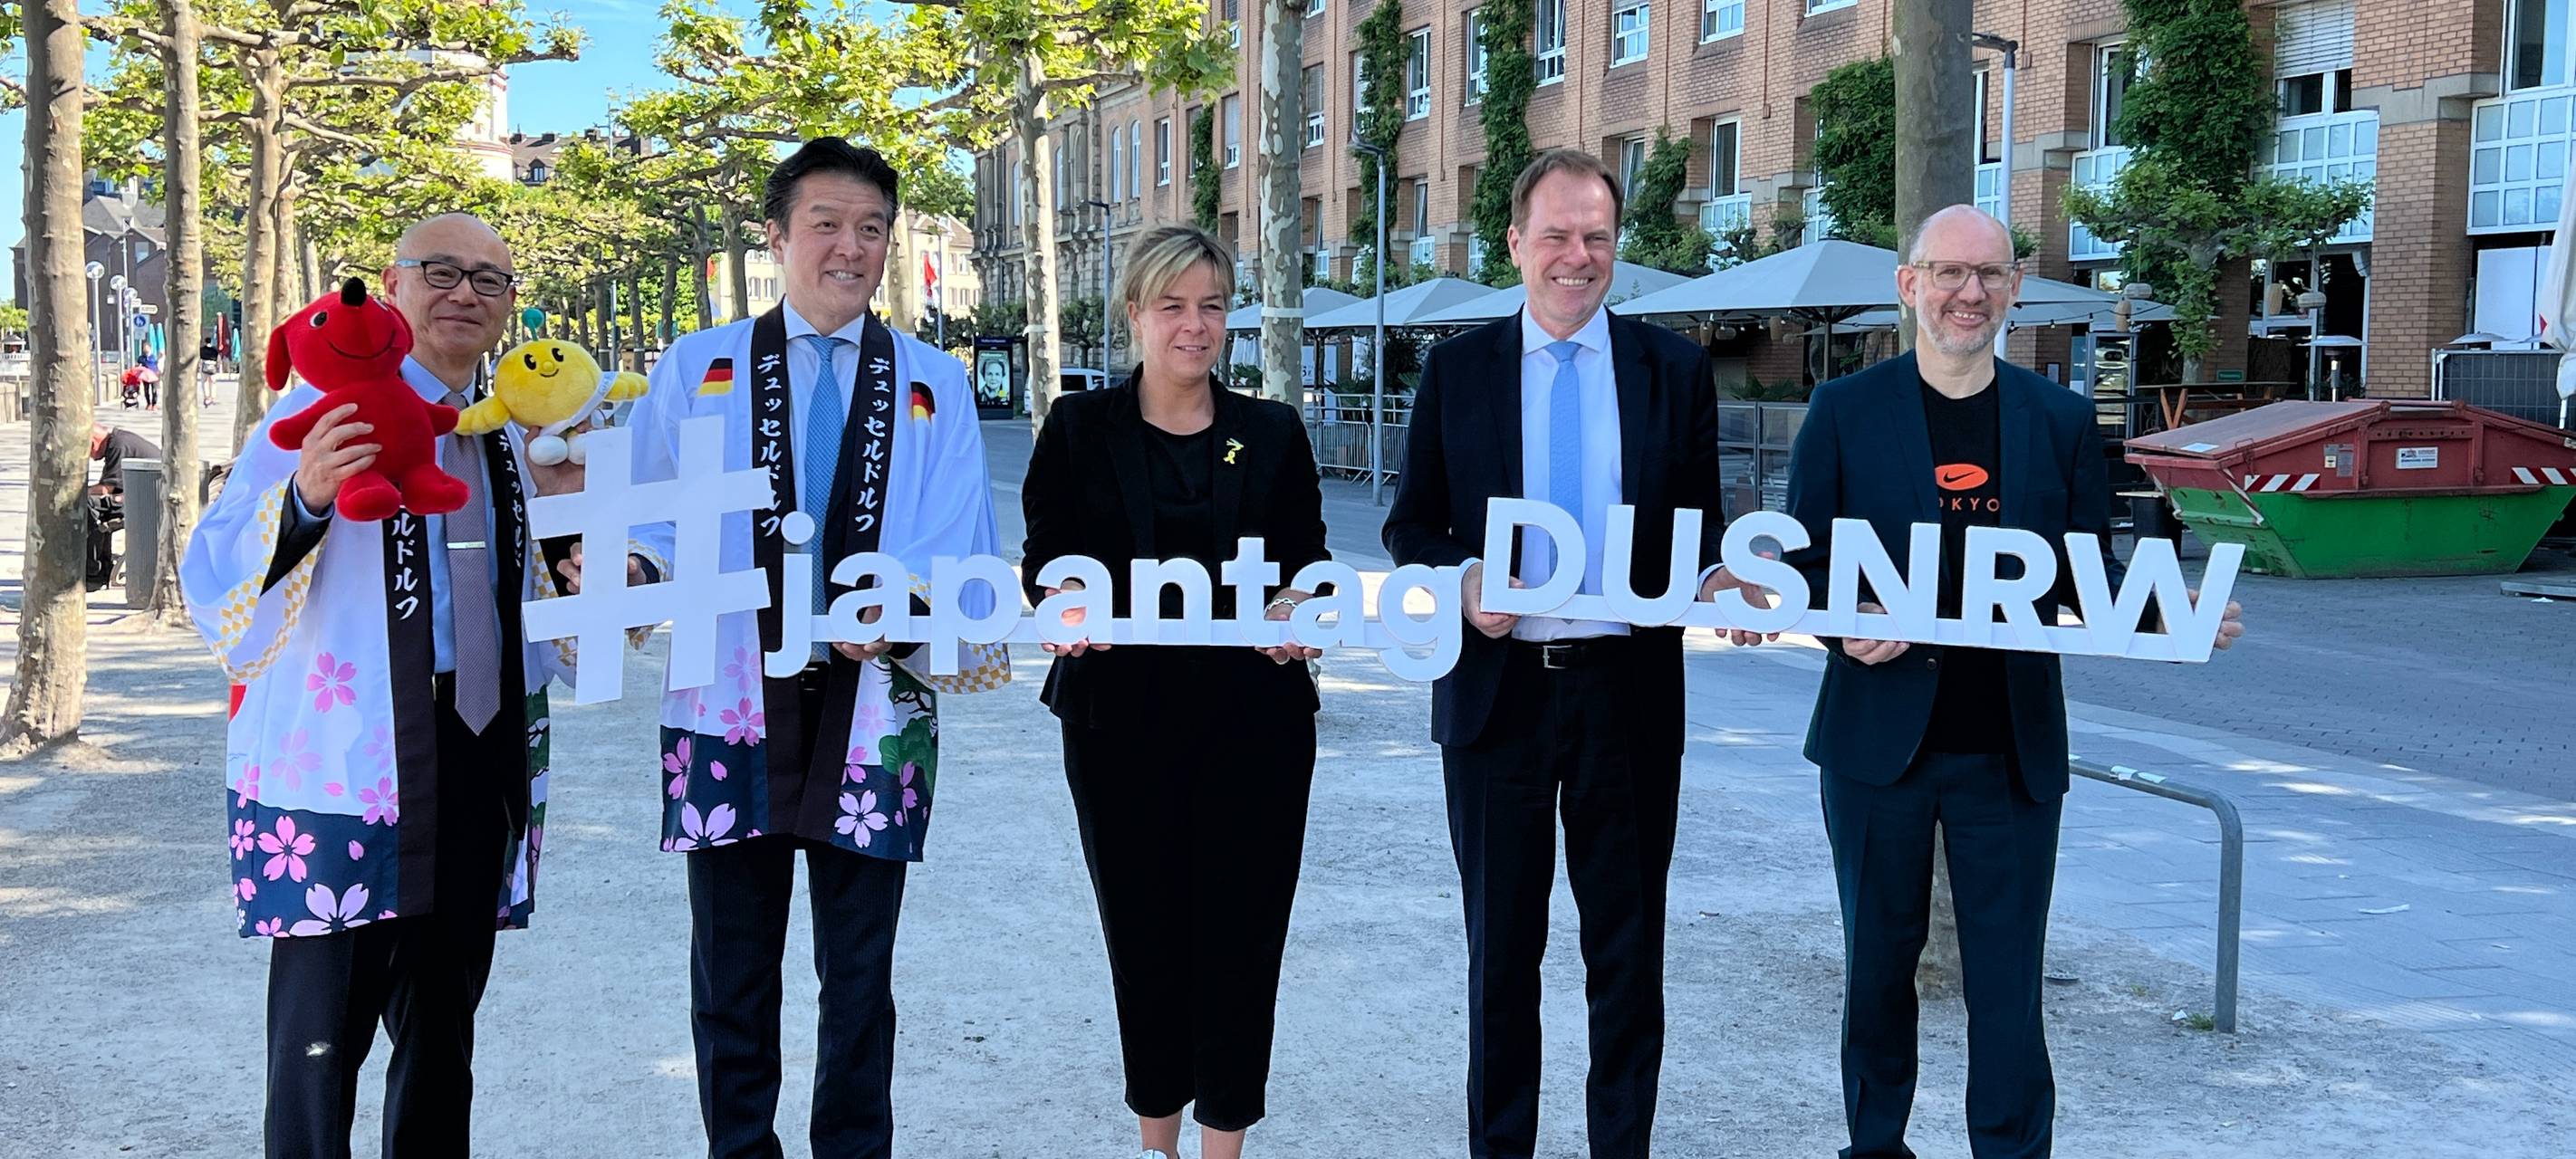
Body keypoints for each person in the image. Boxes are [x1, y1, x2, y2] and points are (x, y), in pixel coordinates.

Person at [1771, 205, 2244, 1159]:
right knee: (1875, 967)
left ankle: (2013, 1149)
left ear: (2015, 292)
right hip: (1876, 745)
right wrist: (1837, 625)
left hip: (2010, 749)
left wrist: (2169, 610)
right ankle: (1873, 1144)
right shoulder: (1845, 412)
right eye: (1948, 272)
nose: (1968, 292)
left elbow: (2082, 570)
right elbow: (1803, 559)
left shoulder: (2061, 419)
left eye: (1989, 275)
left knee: (2008, 978)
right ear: (1910, 286)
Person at [620, 137, 1011, 1159]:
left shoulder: (933, 383)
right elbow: (648, 522)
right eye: (827, 224)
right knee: (732, 970)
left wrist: (910, 607)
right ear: (778, 235)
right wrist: (627, 573)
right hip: (726, 703)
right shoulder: (696, 368)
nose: (850, 247)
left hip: (877, 706)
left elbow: (962, 540)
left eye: (872, 229)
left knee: (861, 974)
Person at [179, 212, 587, 1157]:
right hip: (346, 769)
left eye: (490, 281)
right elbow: (215, 572)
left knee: (443, 1032)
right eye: (440, 271)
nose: (465, 295)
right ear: (391, 289)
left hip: (477, 751)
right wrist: (309, 498)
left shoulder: (514, 439)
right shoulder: (315, 414)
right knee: (319, 1047)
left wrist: (595, 565)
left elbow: (559, 596)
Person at [1381, 148, 1747, 1159]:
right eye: (1556, 235)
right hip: (1496, 703)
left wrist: (1720, 576)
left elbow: (1704, 531)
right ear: (1515, 243)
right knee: (1501, 955)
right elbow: (1410, 526)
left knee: (1627, 954)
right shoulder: (1458, 369)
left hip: (1627, 698)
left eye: (1595, 236)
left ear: (1616, 245)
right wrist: (1459, 583)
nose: (1577, 256)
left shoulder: (1673, 370)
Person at [1020, 225, 1331, 1159]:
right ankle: (1156, 1143)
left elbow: (1311, 557)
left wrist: (1297, 601)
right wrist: (1066, 595)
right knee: (1144, 937)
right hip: (1119, 723)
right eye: (1173, 306)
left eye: (1211, 306)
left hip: (1258, 726)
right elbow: (1044, 557)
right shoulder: (1077, 428)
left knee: (1243, 943)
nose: (1194, 326)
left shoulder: (1271, 431)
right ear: (1134, 315)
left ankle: (1223, 1146)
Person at [87, 422, 160, 587]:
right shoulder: (118, 441)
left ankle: (94, 572)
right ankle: (100, 568)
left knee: (86, 506)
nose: (91, 458)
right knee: (95, 507)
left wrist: (76, 493)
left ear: (92, 443)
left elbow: (106, 489)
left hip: (146, 501)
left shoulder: (118, 447)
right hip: (146, 496)